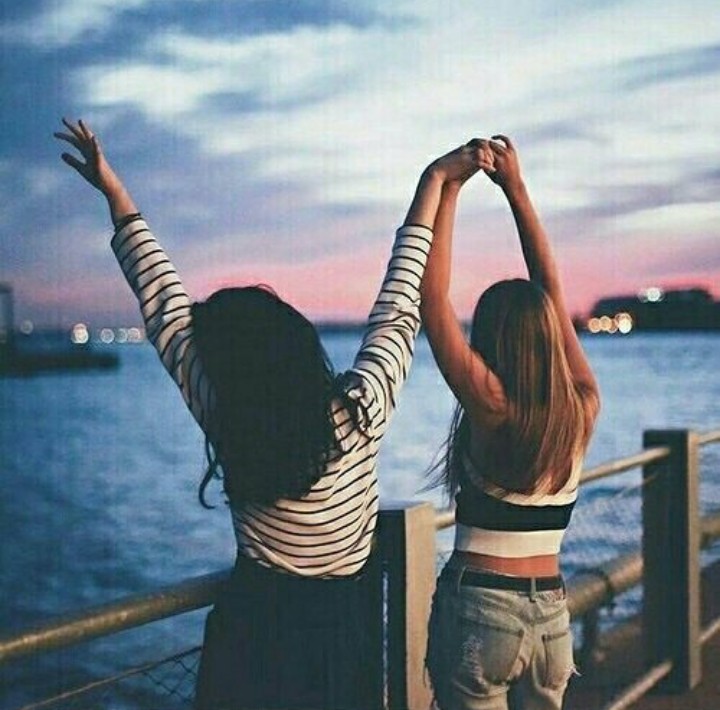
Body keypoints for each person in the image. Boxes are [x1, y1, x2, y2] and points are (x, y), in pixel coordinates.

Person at [54, 118, 494, 709]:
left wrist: (115, 194)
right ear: (297, 343)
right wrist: (435, 180)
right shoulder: (360, 414)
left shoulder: (228, 416)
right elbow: (399, 303)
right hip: (337, 644)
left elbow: (162, 304)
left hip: (249, 639)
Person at [421, 135, 601, 710]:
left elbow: (432, 300)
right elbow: (553, 292)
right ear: (550, 333)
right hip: (552, 616)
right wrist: (516, 191)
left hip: (482, 609)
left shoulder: (492, 409)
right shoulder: (583, 410)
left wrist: (445, 185)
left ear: (490, 339)